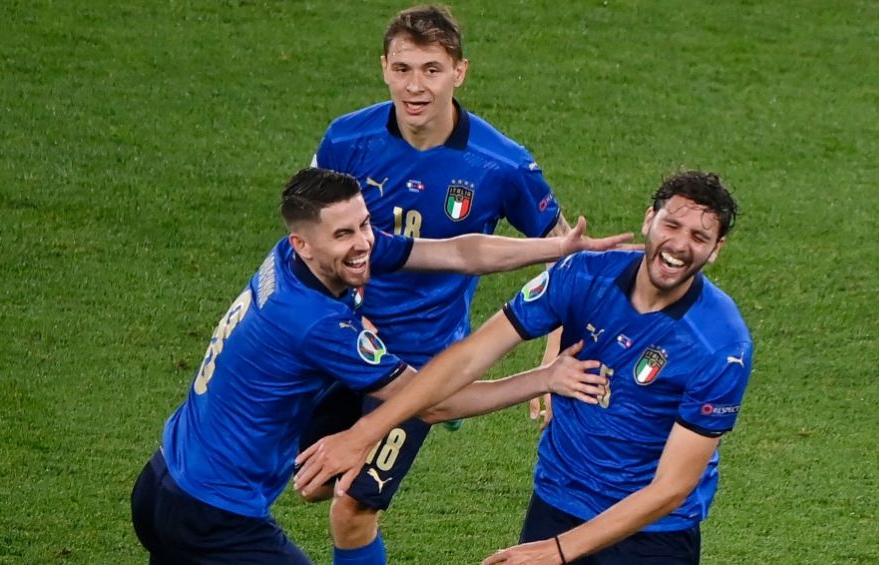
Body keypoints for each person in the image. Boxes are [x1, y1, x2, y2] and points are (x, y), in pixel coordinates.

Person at [130, 167, 628, 563]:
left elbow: (454, 252)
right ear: (304, 242)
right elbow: (434, 402)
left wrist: (558, 248)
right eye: (345, 233)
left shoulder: (295, 259)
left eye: (364, 223)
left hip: (163, 480)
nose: (364, 241)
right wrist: (544, 378)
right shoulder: (315, 323)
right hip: (212, 513)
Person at [294, 171, 754, 564]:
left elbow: (671, 488)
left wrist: (557, 551)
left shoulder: (721, 344)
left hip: (653, 537)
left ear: (716, 250)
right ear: (649, 220)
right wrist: (362, 433)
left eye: (699, 237)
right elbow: (471, 355)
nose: (679, 245)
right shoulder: (583, 275)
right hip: (557, 500)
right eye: (671, 224)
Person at [306, 4, 572, 560]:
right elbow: (307, 236)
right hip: (333, 339)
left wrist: (557, 337)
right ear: (384, 68)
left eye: (431, 69)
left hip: (420, 362)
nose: (416, 86)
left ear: (460, 72)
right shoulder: (346, 140)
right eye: (403, 69)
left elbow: (565, 252)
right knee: (295, 477)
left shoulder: (501, 165)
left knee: (351, 510)